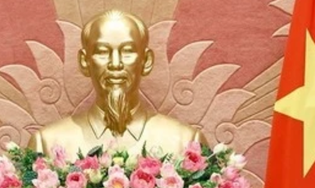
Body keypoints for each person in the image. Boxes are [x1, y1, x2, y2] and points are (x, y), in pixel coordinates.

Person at [28, 10, 205, 157]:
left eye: (127, 52)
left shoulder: (187, 142)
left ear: (146, 61)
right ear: (84, 61)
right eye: (102, 52)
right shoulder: (46, 144)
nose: (115, 63)